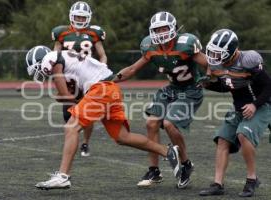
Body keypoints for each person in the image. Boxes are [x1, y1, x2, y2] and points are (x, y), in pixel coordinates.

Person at [25, 45, 181, 190]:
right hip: (109, 88)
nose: (40, 72)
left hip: (100, 88)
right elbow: (76, 94)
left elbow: (66, 95)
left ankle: (63, 176)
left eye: (37, 68)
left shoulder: (51, 58)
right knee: (122, 137)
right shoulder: (66, 59)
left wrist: (62, 98)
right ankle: (167, 151)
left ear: (40, 61)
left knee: (71, 127)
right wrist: (68, 97)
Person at [113, 11, 208, 188]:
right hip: (171, 89)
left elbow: (209, 65)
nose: (160, 33)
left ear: (173, 28)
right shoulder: (150, 47)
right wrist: (109, 80)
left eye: (164, 28)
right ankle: (154, 170)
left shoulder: (185, 44)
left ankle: (186, 164)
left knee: (170, 123)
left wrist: (212, 78)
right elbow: (133, 69)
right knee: (151, 123)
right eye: (157, 29)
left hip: (190, 90)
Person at [199, 29, 271, 197]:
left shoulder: (248, 59)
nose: (214, 57)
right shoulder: (219, 64)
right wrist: (208, 85)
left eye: (218, 53)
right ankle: (217, 184)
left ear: (230, 51)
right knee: (223, 140)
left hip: (261, 105)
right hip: (238, 107)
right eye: (213, 52)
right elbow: (228, 86)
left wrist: (254, 105)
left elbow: (268, 86)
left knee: (243, 135)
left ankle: (252, 179)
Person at [51, 1, 107, 156]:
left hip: (88, 77)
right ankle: (72, 138)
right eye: (77, 17)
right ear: (71, 16)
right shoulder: (61, 33)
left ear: (88, 18)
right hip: (69, 79)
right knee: (68, 112)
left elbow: (102, 55)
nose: (80, 20)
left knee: (87, 113)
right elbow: (54, 55)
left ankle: (85, 143)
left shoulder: (94, 33)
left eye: (83, 18)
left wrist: (101, 69)